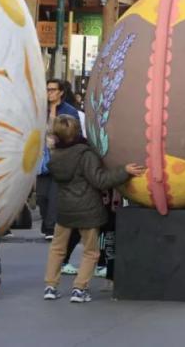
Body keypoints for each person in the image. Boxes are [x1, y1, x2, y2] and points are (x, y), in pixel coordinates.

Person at [43, 115, 146, 303]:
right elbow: (100, 180)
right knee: (91, 251)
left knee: (57, 248)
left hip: (65, 208)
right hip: (87, 208)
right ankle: (79, 288)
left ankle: (50, 285)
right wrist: (125, 171)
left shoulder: (55, 155)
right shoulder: (86, 154)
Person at [39, 80, 81, 241]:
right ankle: (46, 225)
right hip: (43, 158)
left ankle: (51, 227)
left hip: (61, 156)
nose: (49, 93)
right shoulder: (41, 110)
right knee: (42, 196)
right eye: (47, 89)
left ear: (61, 92)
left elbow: (75, 133)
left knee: (54, 194)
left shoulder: (69, 111)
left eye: (52, 90)